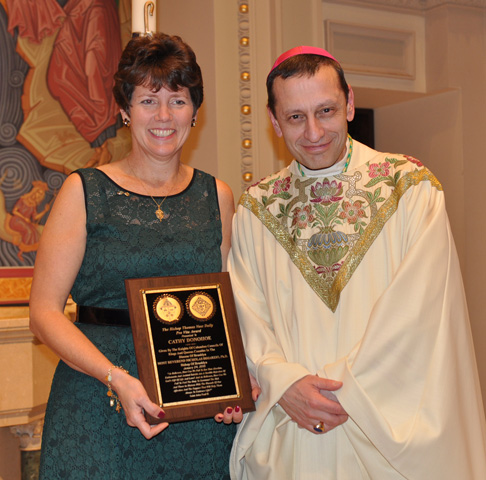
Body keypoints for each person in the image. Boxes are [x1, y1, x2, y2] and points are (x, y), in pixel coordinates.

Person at [228, 46, 486, 479]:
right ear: (274, 122)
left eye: (325, 110)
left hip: (382, 433)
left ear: (349, 103)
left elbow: (418, 316)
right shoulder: (257, 209)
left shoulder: (410, 189)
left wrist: (343, 391)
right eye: (295, 117)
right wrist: (284, 383)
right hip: (294, 431)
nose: (313, 131)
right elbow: (247, 315)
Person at [30, 33, 250, 479]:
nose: (164, 115)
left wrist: (233, 385)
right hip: (99, 401)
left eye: (179, 100)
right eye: (149, 100)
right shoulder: (84, 191)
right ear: (126, 110)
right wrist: (116, 379)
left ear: (195, 112)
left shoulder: (218, 196)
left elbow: (228, 309)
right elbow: (44, 313)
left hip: (195, 412)